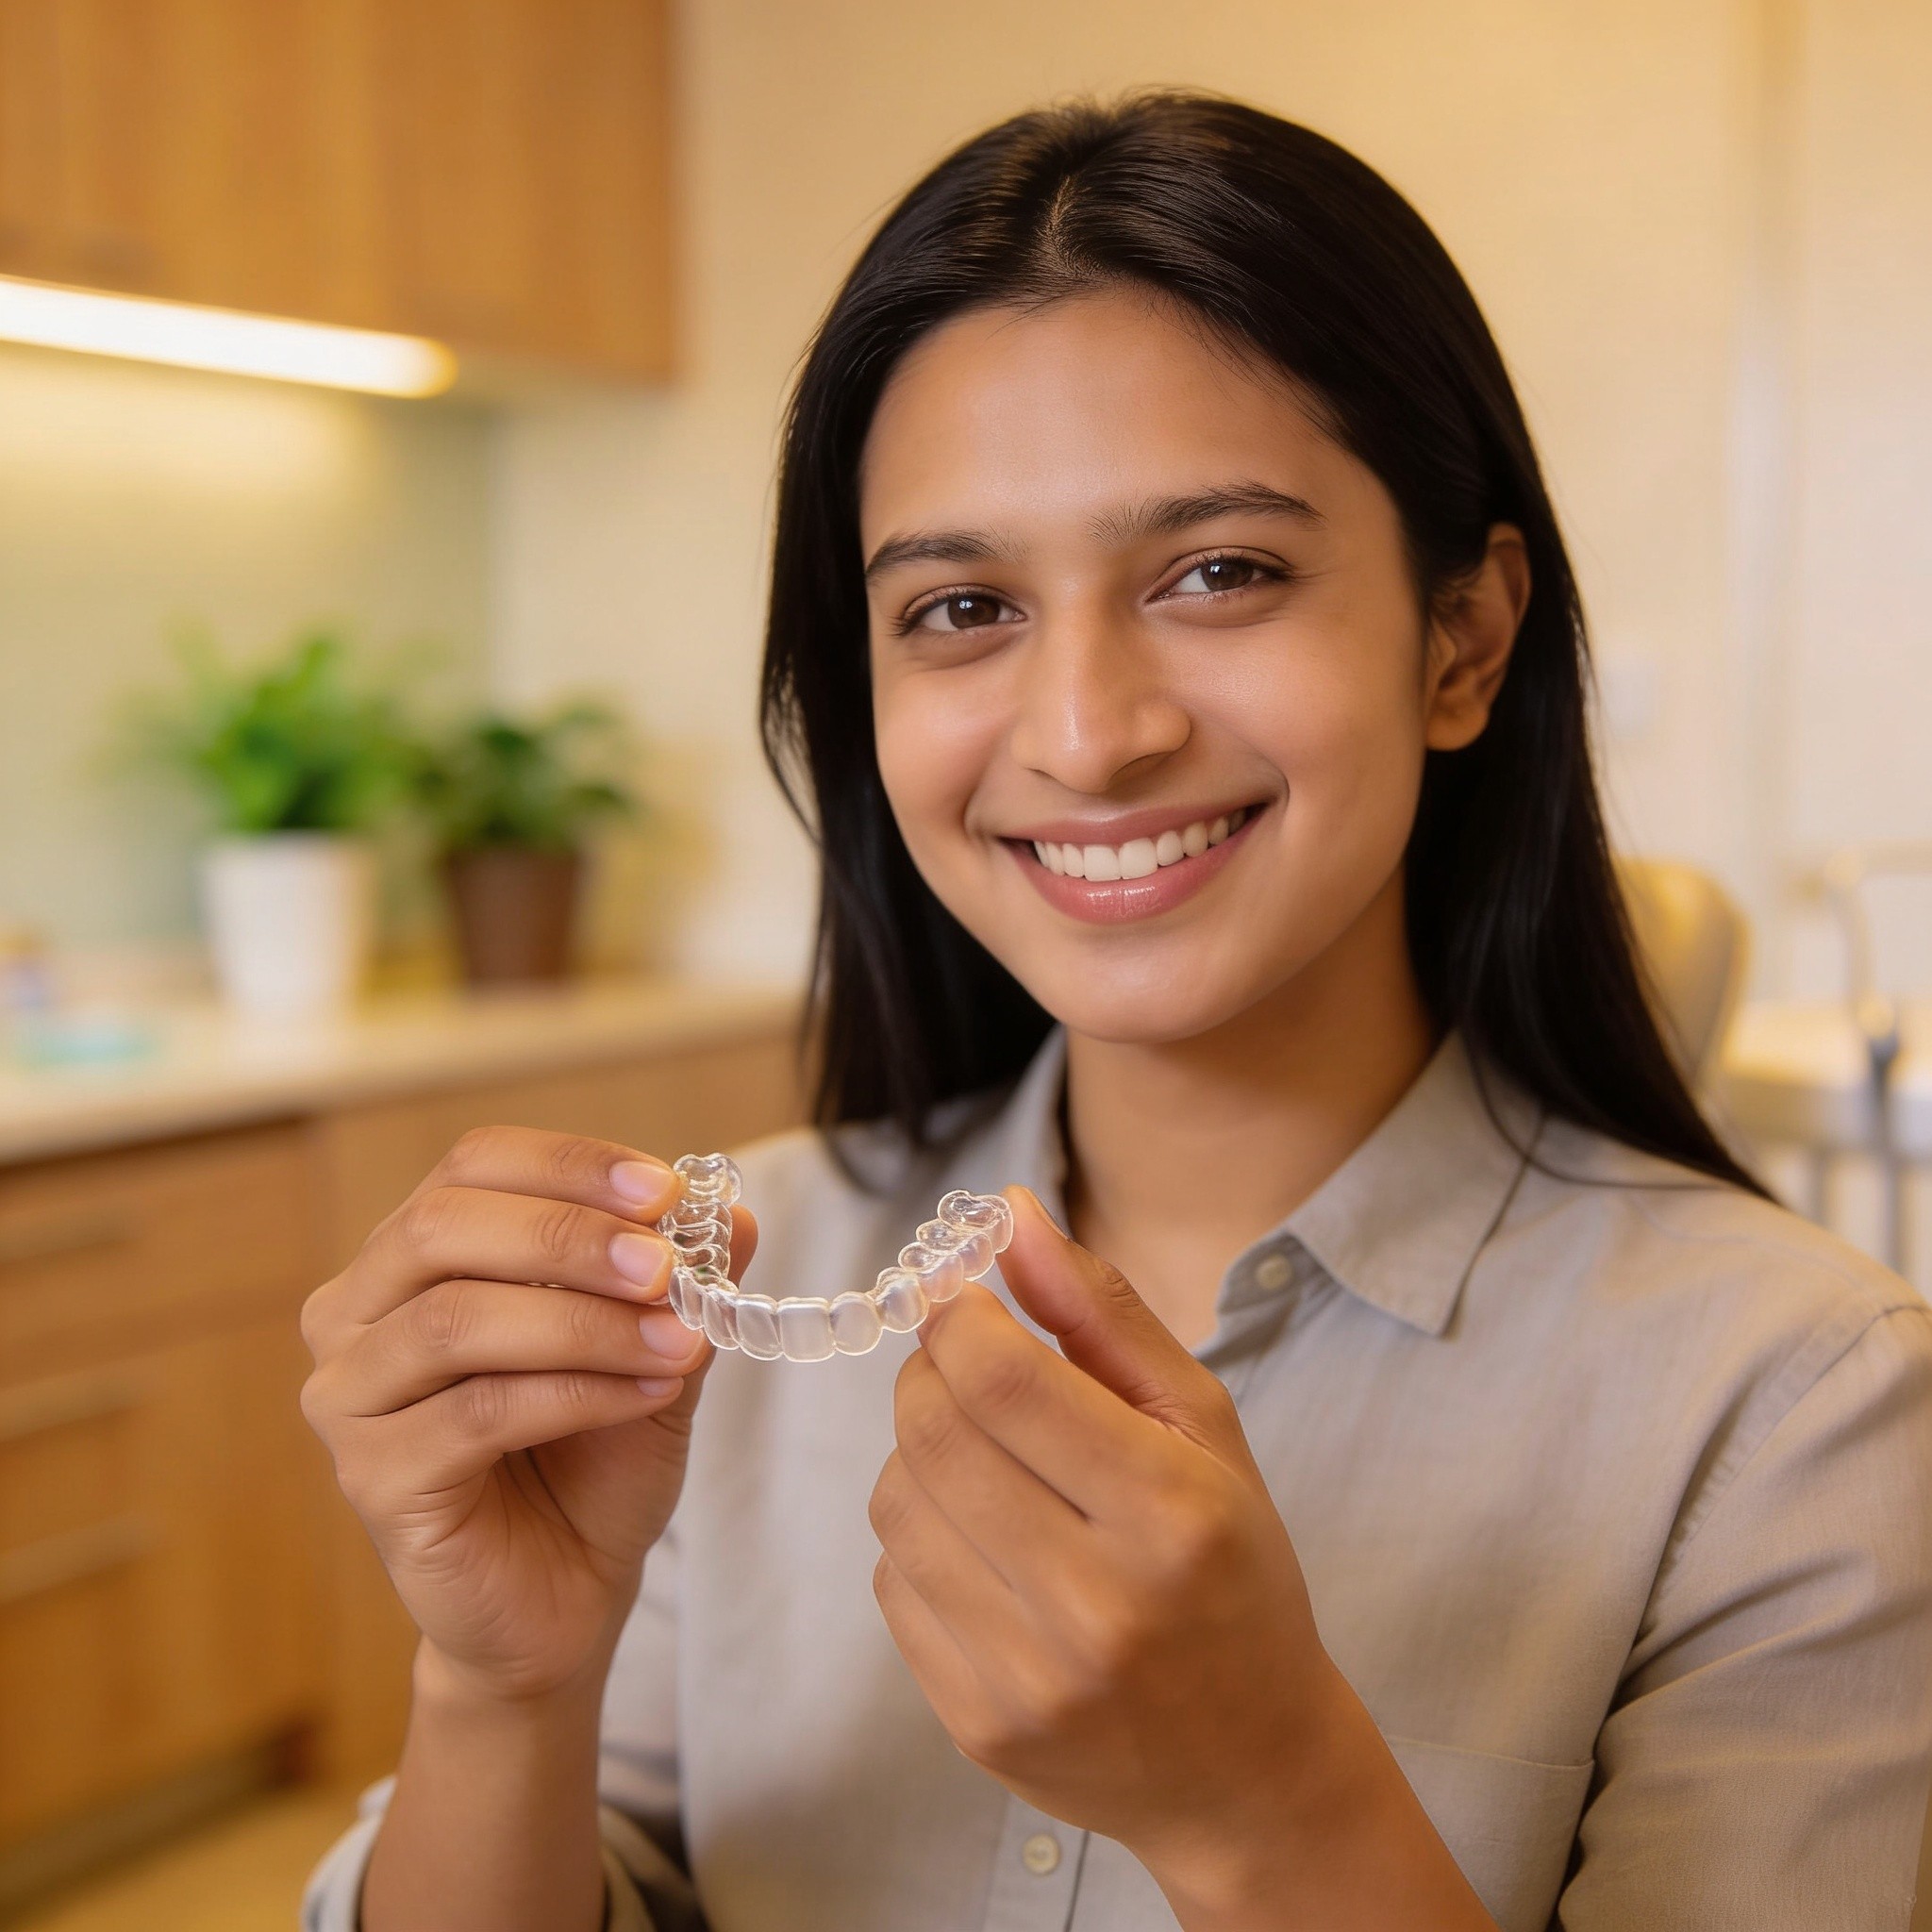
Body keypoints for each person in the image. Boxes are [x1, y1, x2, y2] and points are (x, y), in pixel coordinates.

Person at [301, 94, 1932, 1932]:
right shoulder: (725, 1307)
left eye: (1218, 571)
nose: (1085, 733)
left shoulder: (1802, 1410)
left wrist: (1272, 1804)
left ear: (1461, 638)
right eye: (961, 604)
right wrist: (502, 1681)